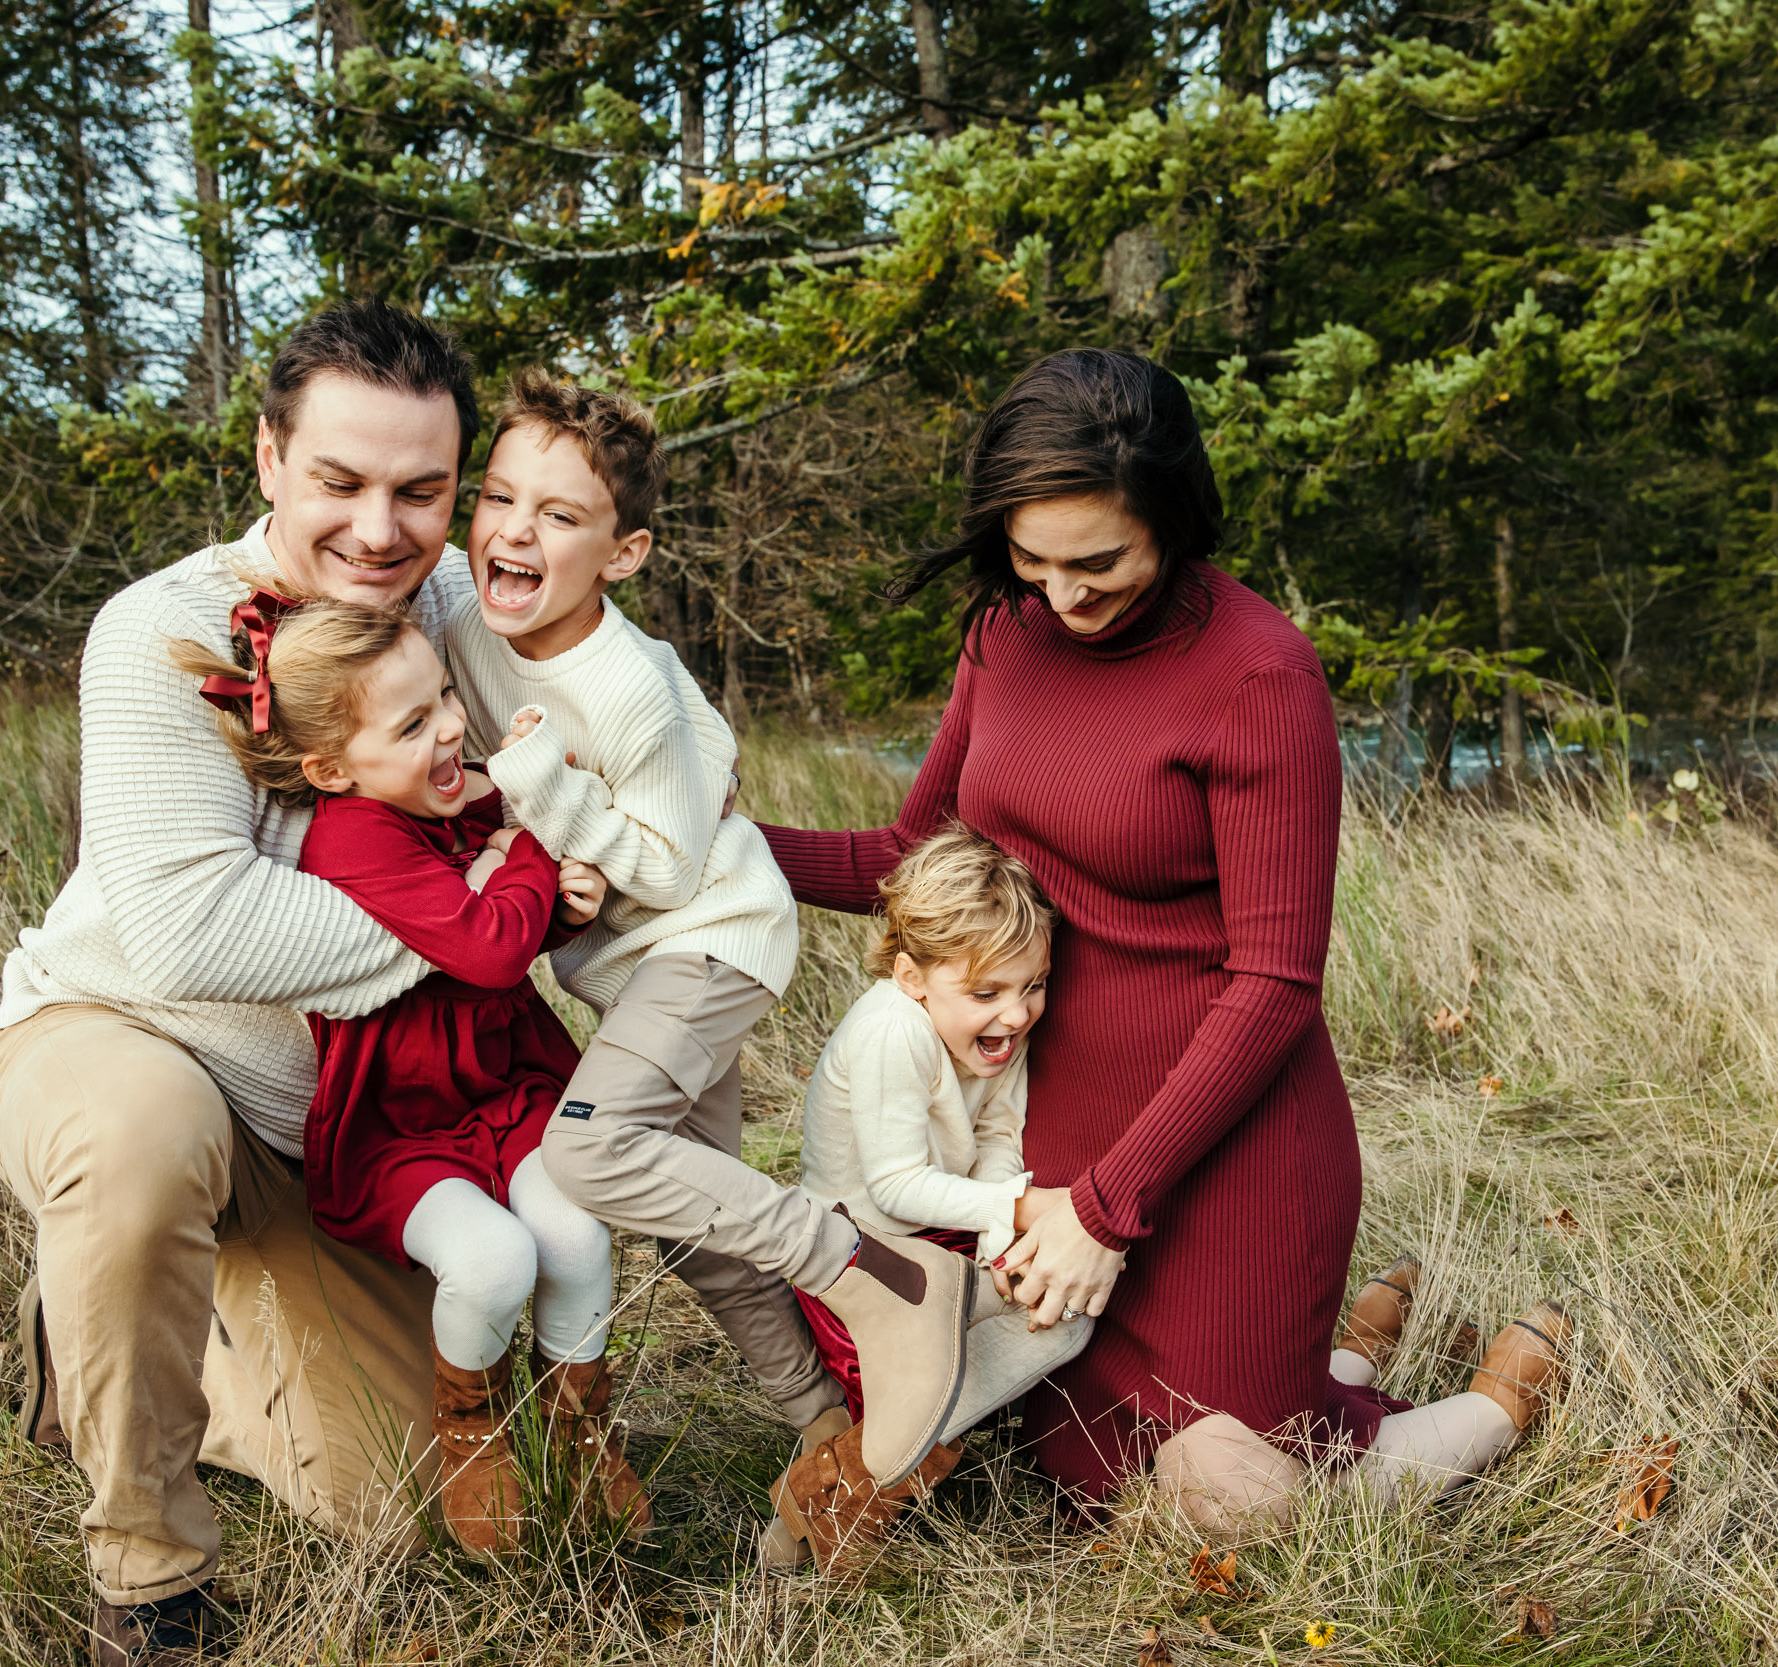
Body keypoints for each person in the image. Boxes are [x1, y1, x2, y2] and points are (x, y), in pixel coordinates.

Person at [758, 348, 1568, 1533]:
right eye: (1031, 561)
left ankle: (1487, 1409)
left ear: (1172, 519)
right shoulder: (1006, 633)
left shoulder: (1258, 675)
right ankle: (1344, 1368)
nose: (1063, 597)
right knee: (1080, 1482)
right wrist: (708, 856)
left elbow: (1276, 983)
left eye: (1098, 563)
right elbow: (911, 853)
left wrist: (1102, 1210)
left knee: (1225, 1498)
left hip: (1218, 1151)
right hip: (1041, 1140)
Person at [0, 301, 500, 1667]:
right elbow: (191, 926)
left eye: (420, 489)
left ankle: (149, 1336)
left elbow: (583, 776)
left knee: (409, 1510)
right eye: (340, 480)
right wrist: (480, 919)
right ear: (270, 456)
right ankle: (149, 1571)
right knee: (139, 1143)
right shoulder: (160, 629)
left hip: (339, 1111)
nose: (380, 528)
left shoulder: (457, 605)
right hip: (126, 1031)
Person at [434, 371, 980, 1513]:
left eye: (560, 516)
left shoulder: (624, 683)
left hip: (711, 941)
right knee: (696, 1224)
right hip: (628, 972)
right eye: (496, 498)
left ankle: (879, 1273)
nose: (514, 531)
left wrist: (541, 789)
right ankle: (837, 1438)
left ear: (623, 555)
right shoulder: (457, 608)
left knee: (592, 1149)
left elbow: (670, 867)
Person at [167, 597, 641, 1553]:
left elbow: (519, 919)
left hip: (508, 1082)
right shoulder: (354, 837)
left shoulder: (445, 791)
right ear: (332, 770)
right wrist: (534, 850)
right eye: (414, 721)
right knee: (494, 1259)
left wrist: (563, 896)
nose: (452, 727)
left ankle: (578, 1426)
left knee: (578, 1233)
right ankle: (474, 1430)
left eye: (444, 697)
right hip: (403, 1120)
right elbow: (489, 947)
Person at [773, 827, 1092, 1573]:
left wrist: (998, 1236)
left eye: (1033, 985)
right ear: (914, 976)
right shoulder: (896, 1033)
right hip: (862, 1257)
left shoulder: (996, 1035)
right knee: (914, 1385)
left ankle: (847, 1475)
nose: (1015, 1014)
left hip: (939, 1236)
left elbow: (999, 1136)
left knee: (1062, 1311)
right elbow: (893, 1184)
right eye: (986, 993)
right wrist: (1015, 1209)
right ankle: (849, 1482)